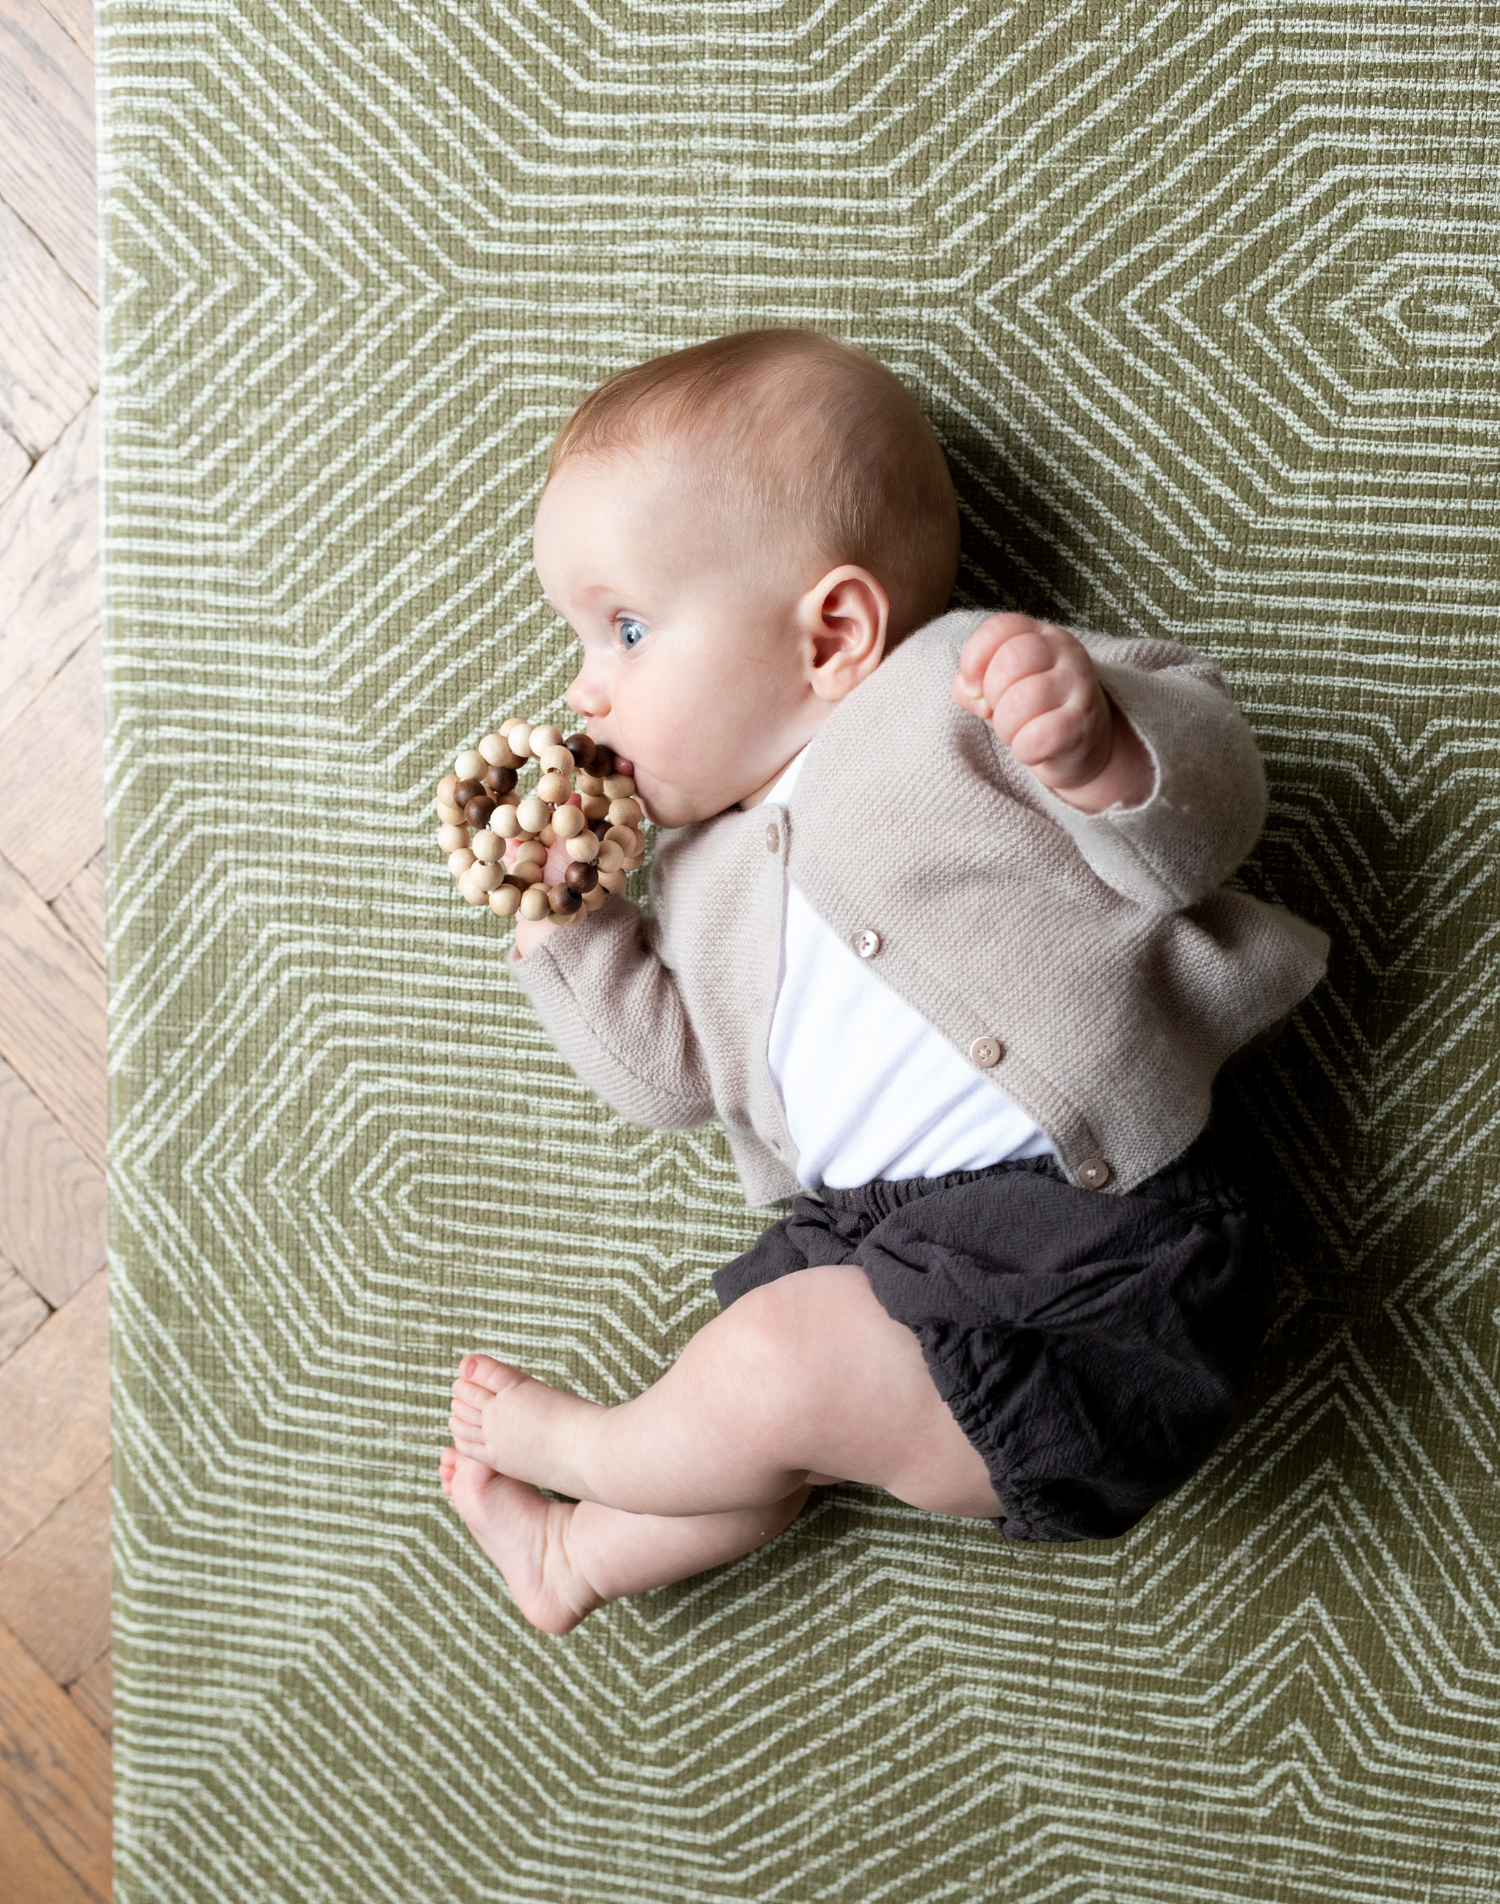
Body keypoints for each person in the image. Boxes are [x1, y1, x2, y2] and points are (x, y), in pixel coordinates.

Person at [438, 328, 1330, 1634]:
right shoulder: (696, 875)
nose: (585, 690)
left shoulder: (960, 690)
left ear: (835, 631)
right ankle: (579, 1558)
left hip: (1098, 1266)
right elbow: (670, 1078)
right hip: (880, 1263)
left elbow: (1203, 834)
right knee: (762, 1422)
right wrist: (564, 929)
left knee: (764, 1379)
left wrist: (1096, 751)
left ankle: (587, 1456)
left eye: (625, 627)